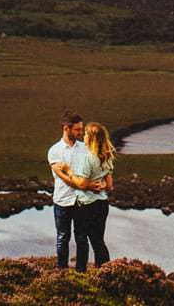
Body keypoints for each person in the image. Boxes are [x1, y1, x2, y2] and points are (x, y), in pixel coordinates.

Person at [47, 111, 104, 270]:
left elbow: (90, 173)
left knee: (81, 238)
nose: (81, 133)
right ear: (66, 128)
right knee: (63, 237)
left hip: (82, 201)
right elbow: (63, 178)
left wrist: (90, 183)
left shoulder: (85, 148)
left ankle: (81, 272)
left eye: (81, 129)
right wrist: (86, 185)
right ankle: (62, 271)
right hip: (63, 200)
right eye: (77, 130)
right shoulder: (55, 151)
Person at [73, 121, 116, 269]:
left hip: (86, 205)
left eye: (85, 134)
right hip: (102, 204)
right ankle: (104, 271)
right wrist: (102, 184)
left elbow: (83, 184)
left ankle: (80, 272)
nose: (83, 136)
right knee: (98, 241)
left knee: (81, 238)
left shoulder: (87, 158)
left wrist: (67, 172)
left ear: (90, 138)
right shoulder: (106, 156)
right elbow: (109, 185)